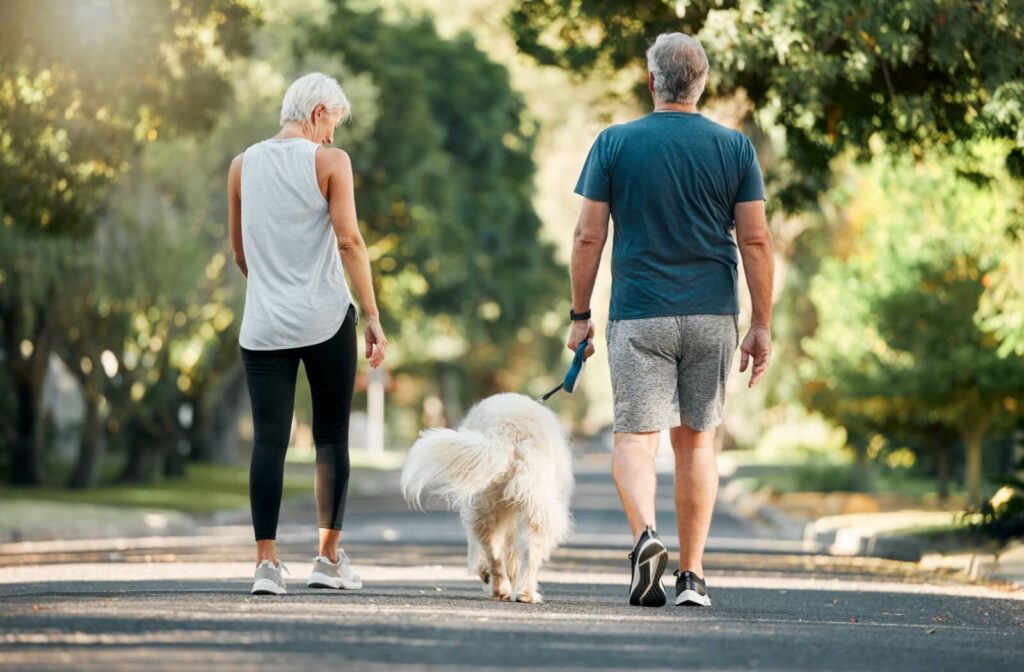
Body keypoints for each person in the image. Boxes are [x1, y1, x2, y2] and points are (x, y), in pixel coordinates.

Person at [567, 33, 773, 608]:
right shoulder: (735, 148)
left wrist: (580, 316)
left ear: (651, 80)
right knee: (697, 444)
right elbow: (755, 238)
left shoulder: (614, 143)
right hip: (712, 313)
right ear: (702, 83)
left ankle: (644, 540)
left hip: (640, 315)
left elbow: (588, 235)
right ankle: (693, 577)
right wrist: (762, 323)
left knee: (636, 438)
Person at [227, 72, 387, 595]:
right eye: (333, 124)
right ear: (318, 113)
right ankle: (327, 558)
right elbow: (350, 242)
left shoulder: (241, 166)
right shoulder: (329, 163)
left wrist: (275, 290)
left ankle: (266, 566)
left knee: (268, 441)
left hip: (263, 324)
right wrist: (372, 315)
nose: (333, 137)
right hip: (323, 319)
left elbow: (241, 255)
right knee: (330, 435)